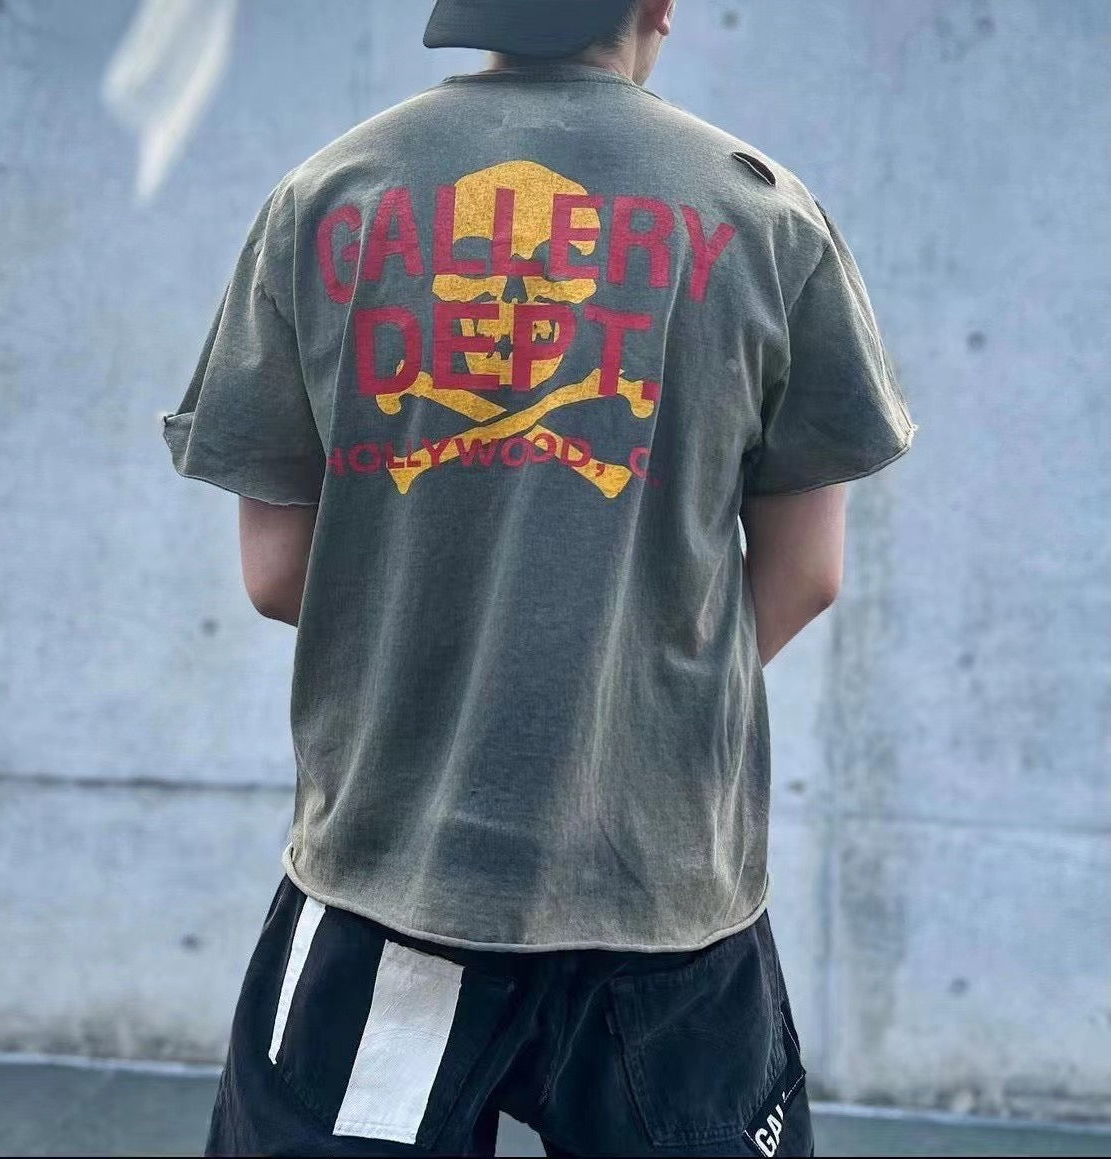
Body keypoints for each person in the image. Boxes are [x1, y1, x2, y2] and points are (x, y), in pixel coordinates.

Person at [161, 1, 918, 1154]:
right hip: (661, 894)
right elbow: (805, 573)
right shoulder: (763, 214)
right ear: (656, 5)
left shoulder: (326, 198)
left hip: (393, 880)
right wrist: (625, 690)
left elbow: (276, 574)